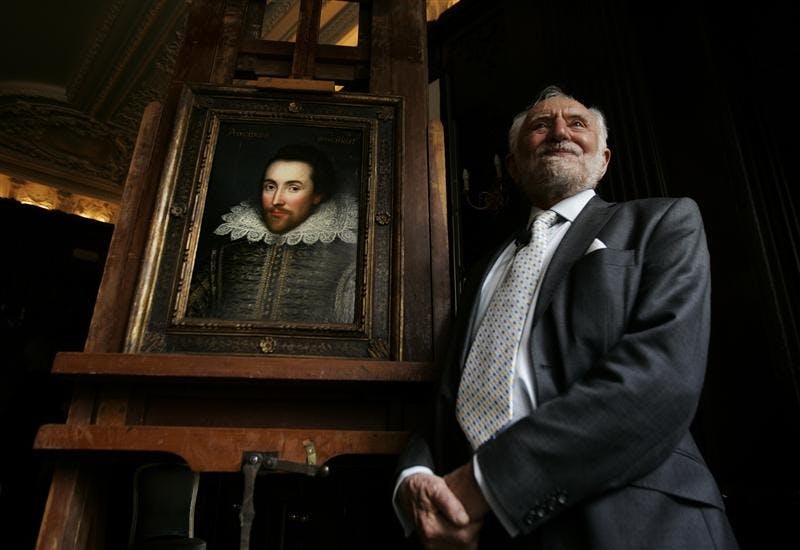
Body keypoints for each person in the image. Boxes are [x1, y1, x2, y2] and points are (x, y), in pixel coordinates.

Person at [394, 85, 739, 549]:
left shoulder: (662, 223)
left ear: (604, 160)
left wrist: (487, 482)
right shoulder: (480, 273)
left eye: (577, 123)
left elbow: (661, 379)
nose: (559, 131)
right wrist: (412, 479)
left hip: (634, 521)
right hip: (479, 532)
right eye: (540, 126)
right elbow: (444, 399)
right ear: (514, 166)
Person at [187, 143, 358, 324]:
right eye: (270, 187)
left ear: (317, 195)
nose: (276, 200)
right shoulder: (224, 253)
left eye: (293, 188)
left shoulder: (348, 261)